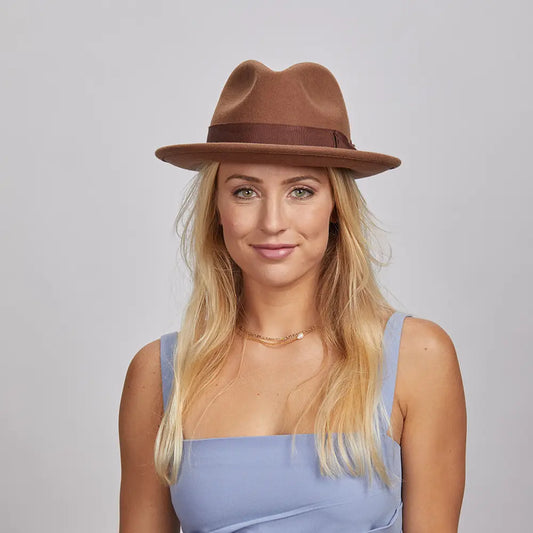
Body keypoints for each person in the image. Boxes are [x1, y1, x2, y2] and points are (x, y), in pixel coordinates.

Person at [118, 60, 466, 532]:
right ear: (217, 209)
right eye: (245, 192)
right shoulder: (160, 375)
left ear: (336, 207)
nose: (273, 221)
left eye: (301, 190)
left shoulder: (416, 357)